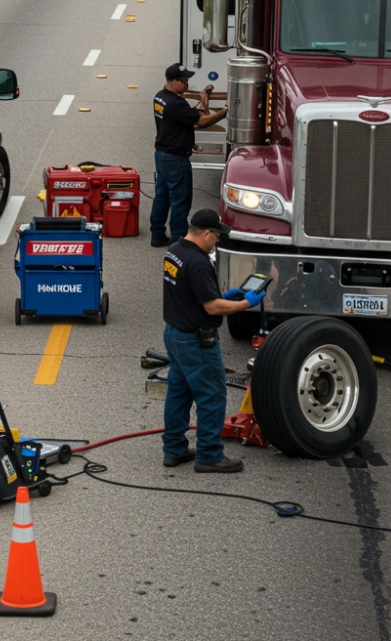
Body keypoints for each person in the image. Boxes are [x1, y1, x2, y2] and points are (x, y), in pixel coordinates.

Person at [161, 208, 267, 473]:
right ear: (207, 233)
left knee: (179, 392)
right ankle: (209, 455)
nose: (217, 241)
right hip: (196, 340)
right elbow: (212, 308)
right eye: (217, 236)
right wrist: (244, 303)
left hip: (174, 334)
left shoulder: (175, 250)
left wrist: (224, 295)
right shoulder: (198, 262)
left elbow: (191, 293)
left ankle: (173, 450)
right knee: (212, 395)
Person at [151, 62, 228, 248]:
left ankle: (157, 234)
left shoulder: (160, 97)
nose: (187, 84)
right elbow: (201, 121)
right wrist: (225, 112)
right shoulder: (176, 104)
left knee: (162, 196)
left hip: (162, 155)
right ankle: (179, 240)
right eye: (184, 81)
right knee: (180, 199)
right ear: (173, 81)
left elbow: (183, 113)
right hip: (176, 159)